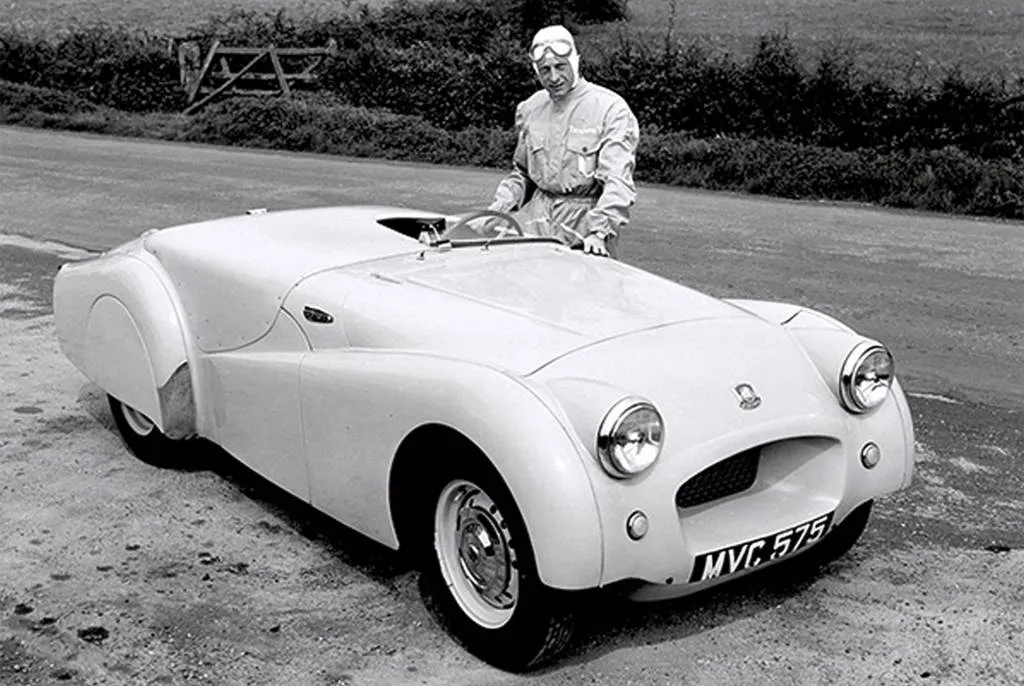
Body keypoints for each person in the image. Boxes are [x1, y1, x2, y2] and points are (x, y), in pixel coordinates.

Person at [488, 25, 640, 258]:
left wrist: (599, 232)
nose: (554, 77)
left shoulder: (610, 109)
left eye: (560, 67)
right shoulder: (531, 109)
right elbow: (522, 174)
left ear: (575, 62)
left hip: (585, 232)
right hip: (534, 231)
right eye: (545, 70)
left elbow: (618, 180)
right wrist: (498, 209)